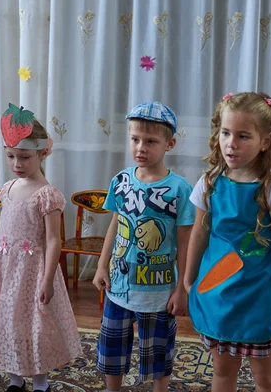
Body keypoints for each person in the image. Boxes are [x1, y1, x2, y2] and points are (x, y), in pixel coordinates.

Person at [0, 103, 82, 392]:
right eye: (11, 156)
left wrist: (47, 279)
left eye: (24, 157)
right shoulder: (7, 189)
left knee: (35, 326)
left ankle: (41, 382)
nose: (17, 163)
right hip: (6, 272)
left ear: (43, 153)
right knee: (7, 322)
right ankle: (15, 379)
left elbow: (53, 240)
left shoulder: (47, 196)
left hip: (33, 272)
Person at [185, 92, 271, 392]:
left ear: (266, 140)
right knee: (222, 373)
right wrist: (188, 278)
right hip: (218, 295)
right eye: (225, 133)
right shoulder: (210, 181)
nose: (231, 143)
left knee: (266, 377)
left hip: (259, 299)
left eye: (243, 136)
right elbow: (199, 233)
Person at [92, 101, 195, 392]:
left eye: (151, 141)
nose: (141, 147)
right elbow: (115, 224)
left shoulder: (180, 190)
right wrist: (101, 265)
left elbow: (185, 242)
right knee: (112, 346)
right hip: (119, 285)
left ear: (169, 144)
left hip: (158, 291)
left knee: (158, 352)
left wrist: (182, 288)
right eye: (135, 139)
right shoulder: (121, 181)